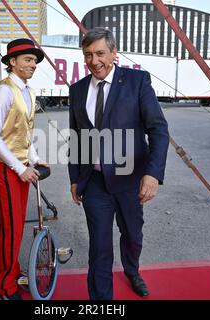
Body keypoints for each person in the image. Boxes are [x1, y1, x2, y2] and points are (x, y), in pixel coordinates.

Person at [68, 27, 169, 300]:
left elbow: (158, 129)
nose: (94, 61)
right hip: (96, 184)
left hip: (130, 179)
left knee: (132, 235)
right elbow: (77, 136)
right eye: (88, 55)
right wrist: (75, 178)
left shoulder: (137, 81)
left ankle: (132, 271)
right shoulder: (77, 90)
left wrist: (153, 174)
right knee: (99, 248)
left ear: (114, 53)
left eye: (100, 53)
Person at [0, 38, 48, 300]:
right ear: (12, 62)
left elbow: (24, 133)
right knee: (11, 228)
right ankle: (4, 287)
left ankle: (13, 272)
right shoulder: (4, 90)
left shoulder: (28, 91)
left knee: (17, 226)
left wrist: (34, 159)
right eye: (27, 59)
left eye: (34, 60)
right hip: (4, 168)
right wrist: (18, 168)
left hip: (20, 166)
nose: (33, 65)